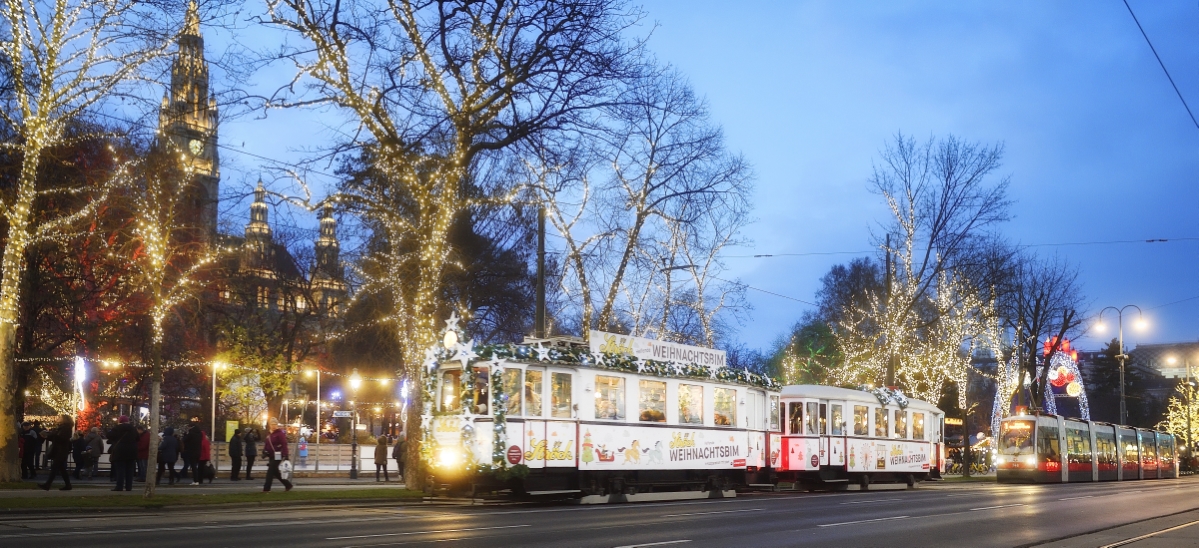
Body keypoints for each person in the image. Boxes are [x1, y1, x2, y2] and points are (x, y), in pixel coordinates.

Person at [38, 415, 74, 491]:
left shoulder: (66, 428)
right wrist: (47, 436)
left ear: (64, 420)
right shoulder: (60, 428)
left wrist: (52, 435)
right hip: (59, 450)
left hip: (61, 450)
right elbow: (56, 438)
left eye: (60, 417)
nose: (58, 418)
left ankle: (47, 484)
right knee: (61, 469)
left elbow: (61, 439)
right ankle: (68, 485)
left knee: (55, 468)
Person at [107, 416, 138, 491]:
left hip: (120, 451)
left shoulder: (117, 428)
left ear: (120, 421)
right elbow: (138, 438)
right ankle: (128, 487)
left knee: (120, 469)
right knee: (130, 470)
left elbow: (109, 436)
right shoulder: (133, 429)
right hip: (132, 451)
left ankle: (119, 486)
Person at [262, 418, 292, 492]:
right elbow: (267, 444)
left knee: (270, 471)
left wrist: (286, 454)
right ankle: (288, 485)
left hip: (278, 454)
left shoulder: (280, 433)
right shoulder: (269, 434)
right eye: (272, 424)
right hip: (271, 455)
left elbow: (284, 444)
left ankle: (266, 489)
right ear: (270, 425)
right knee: (275, 472)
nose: (273, 426)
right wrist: (264, 451)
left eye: (275, 424)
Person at [182, 418, 202, 485]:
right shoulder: (200, 434)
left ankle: (196, 480)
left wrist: (185, 434)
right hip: (198, 451)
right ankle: (198, 479)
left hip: (192, 451)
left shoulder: (191, 433)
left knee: (193, 466)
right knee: (196, 466)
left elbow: (184, 440)